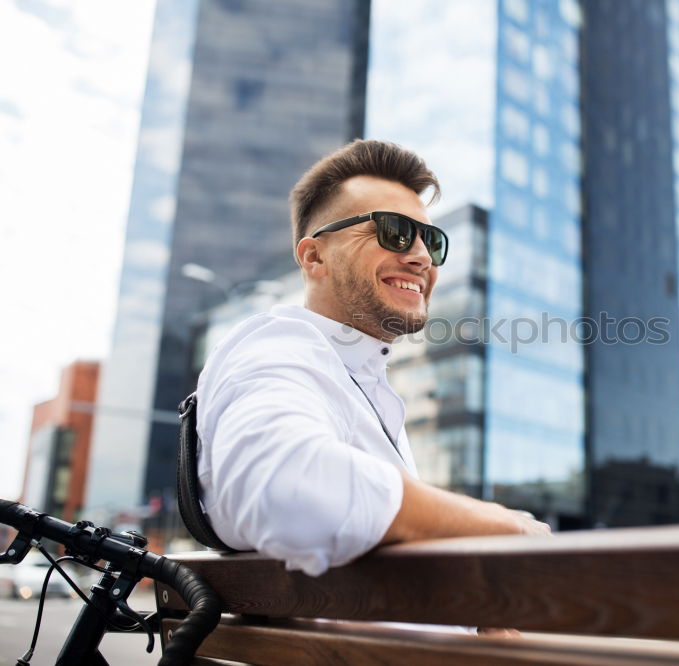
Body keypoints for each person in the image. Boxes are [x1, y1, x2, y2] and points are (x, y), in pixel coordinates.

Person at [195, 139, 550, 577]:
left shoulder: (356, 376)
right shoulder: (279, 349)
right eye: (393, 231)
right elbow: (285, 487)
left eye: (432, 241)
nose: (421, 257)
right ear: (314, 256)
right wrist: (505, 527)